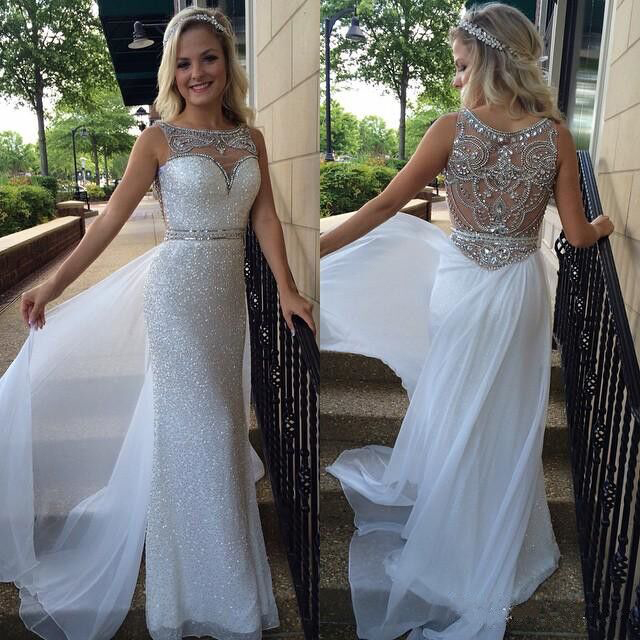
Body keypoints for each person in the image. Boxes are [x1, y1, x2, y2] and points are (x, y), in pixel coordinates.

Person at [0, 7, 314, 640]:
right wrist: (53, 284)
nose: (197, 72)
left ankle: (215, 575)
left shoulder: (250, 139)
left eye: (209, 58)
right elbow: (110, 220)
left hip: (227, 304)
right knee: (204, 428)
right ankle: (206, 591)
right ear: (172, 71)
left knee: (218, 430)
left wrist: (287, 288)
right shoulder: (158, 139)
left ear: (227, 63)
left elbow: (265, 219)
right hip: (177, 298)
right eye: (184, 62)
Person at [319, 3, 613, 640]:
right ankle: (492, 537)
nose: (456, 78)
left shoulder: (450, 129)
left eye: (460, 64)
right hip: (518, 291)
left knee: (457, 406)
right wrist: (605, 224)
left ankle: (450, 535)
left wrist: (316, 252)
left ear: (488, 60)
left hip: (459, 289)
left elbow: (386, 203)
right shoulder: (557, 136)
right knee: (505, 416)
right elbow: (579, 236)